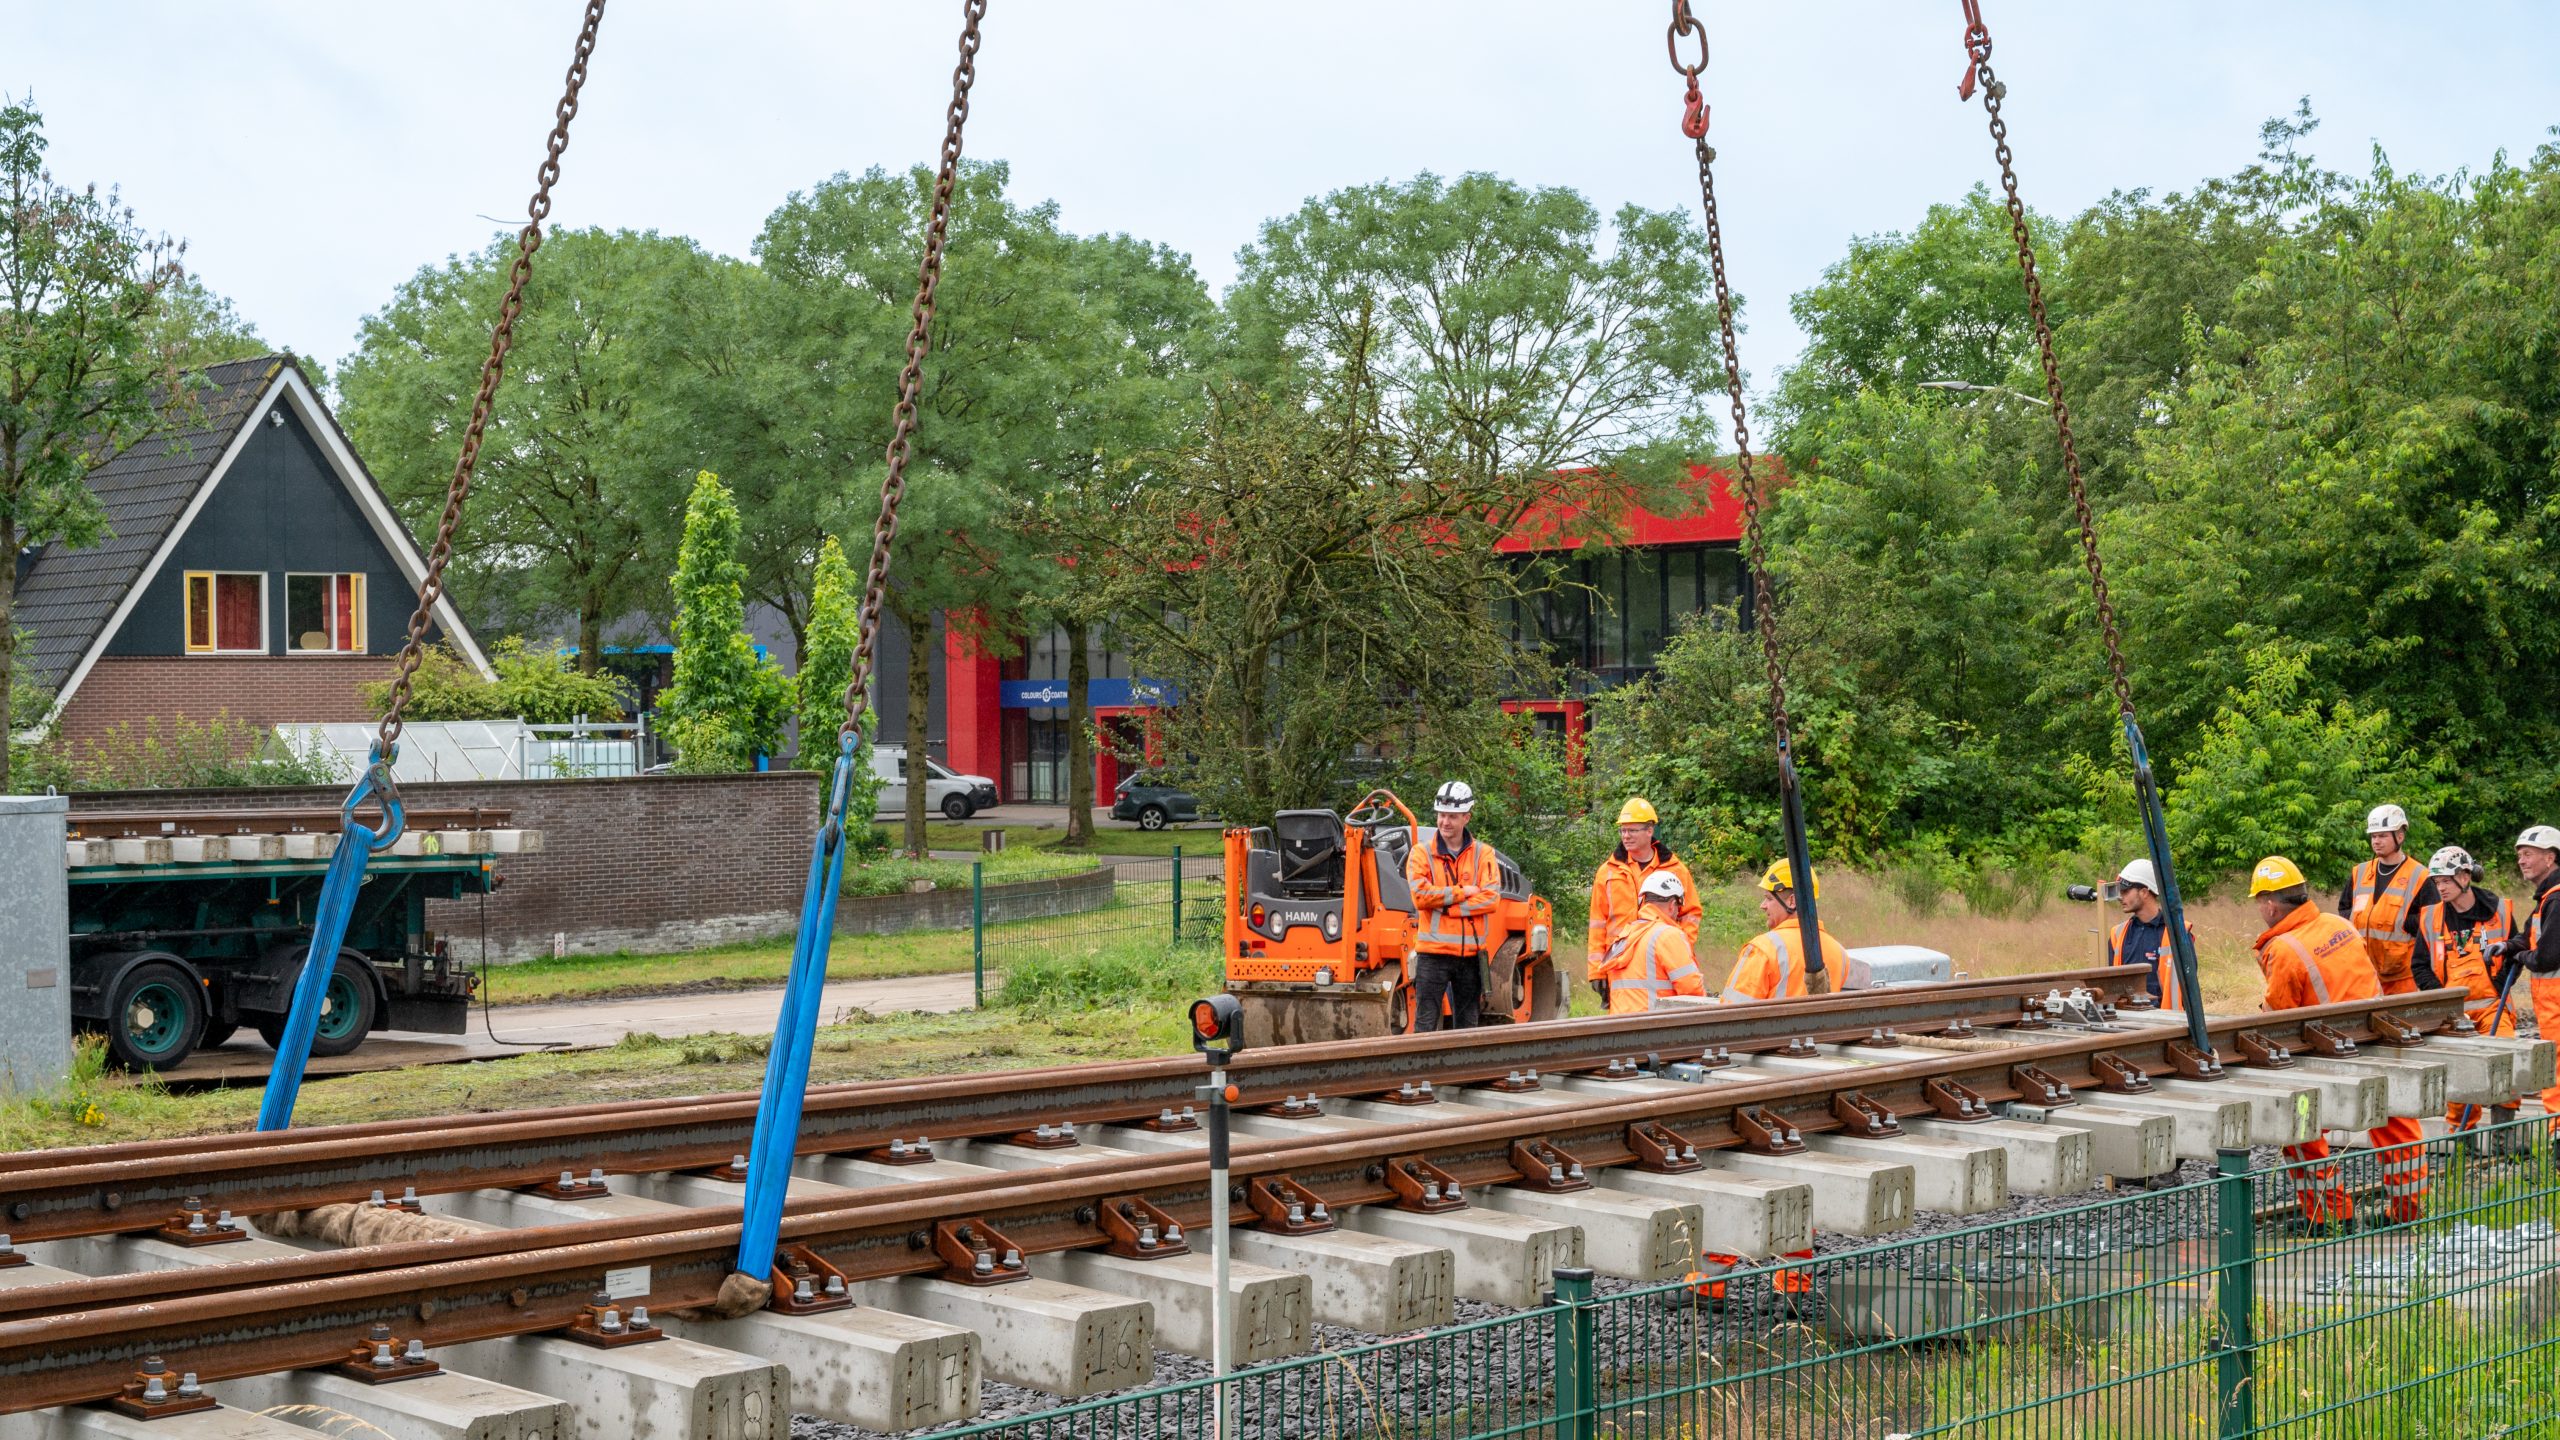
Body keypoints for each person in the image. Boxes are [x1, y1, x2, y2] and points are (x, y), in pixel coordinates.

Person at [2250, 855, 2427, 1228]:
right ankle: (2410, 1214)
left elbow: (2278, 1020)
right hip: (2377, 1040)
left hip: (2328, 1057)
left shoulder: (2283, 949)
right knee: (2395, 1123)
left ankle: (2331, 1217)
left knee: (2300, 1128)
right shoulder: (2338, 923)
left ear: (2270, 904)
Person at [2415, 845, 2520, 1131]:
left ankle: (2504, 1135)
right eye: (2437, 882)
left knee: (2506, 1065)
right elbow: (2420, 966)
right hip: (2453, 1014)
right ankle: (2461, 1138)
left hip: (2492, 1007)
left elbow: (2516, 952)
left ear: (2465, 876)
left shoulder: (2498, 910)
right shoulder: (2430, 918)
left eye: (2446, 880)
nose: (2441, 888)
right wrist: (2441, 1000)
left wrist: (2499, 988)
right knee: (2459, 1075)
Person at [1404, 780, 1502, 1031]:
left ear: (1466, 817)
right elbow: (1420, 896)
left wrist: (1449, 907)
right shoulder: (1420, 853)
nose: (1445, 822)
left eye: (1452, 816)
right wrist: (1462, 892)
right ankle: (1421, 1070)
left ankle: (1465, 1071)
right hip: (1432, 955)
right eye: (1442, 815)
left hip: (1470, 957)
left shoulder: (1484, 854)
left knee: (1468, 1025)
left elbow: (1491, 898)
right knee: (1425, 1023)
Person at [1586, 798, 1702, 1005]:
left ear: (1650, 831)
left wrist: (1678, 948)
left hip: (1664, 961)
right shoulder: (1608, 872)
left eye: (1632, 830)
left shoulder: (1674, 869)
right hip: (1621, 964)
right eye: (1622, 830)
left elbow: (1691, 914)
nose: (1626, 836)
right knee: (1623, 1020)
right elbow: (1597, 923)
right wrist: (1596, 971)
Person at [2342, 803, 2438, 993]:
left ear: (2400, 836)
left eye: (2383, 835)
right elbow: (2344, 911)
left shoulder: (2420, 876)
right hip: (2363, 974)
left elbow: (2433, 921)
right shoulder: (2359, 873)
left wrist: (2404, 923)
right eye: (2373, 836)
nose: (2376, 841)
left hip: (2402, 977)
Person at [2502, 824, 2560, 1134]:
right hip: (2551, 1006)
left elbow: (2545, 957)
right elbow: (2528, 937)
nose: (2522, 861)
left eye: (2528, 855)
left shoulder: (2557, 900)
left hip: (2557, 1004)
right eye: (2520, 856)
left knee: (2557, 1070)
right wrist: (2509, 946)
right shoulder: (2546, 898)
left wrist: (2519, 956)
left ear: (2549, 858)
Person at [1727, 859, 1845, 1001]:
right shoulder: (1839, 952)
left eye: (1769, 898)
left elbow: (1732, 1012)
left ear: (1792, 901)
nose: (1763, 906)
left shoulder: (1763, 950)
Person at [1592, 872, 1706, 1014]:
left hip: (1619, 1027)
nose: (1678, 913)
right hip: (1655, 1027)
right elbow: (1692, 989)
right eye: (1678, 907)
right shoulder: (1668, 935)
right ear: (1672, 905)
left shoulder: (1625, 936)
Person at [2105, 857, 2197, 1014]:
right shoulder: (2117, 935)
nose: (2121, 896)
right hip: (2127, 1022)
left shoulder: (2177, 933)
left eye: (2126, 891)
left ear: (2144, 892)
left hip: (2168, 1024)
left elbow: (2189, 987)